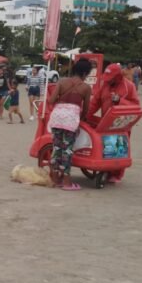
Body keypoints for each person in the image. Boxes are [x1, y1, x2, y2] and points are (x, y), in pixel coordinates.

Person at [47, 59, 93, 190]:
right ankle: (67, 182)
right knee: (67, 150)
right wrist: (80, 118)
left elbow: (51, 100)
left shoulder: (61, 82)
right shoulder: (85, 87)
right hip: (71, 119)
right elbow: (86, 109)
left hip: (56, 117)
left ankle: (55, 179)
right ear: (84, 73)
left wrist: (61, 103)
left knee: (56, 148)